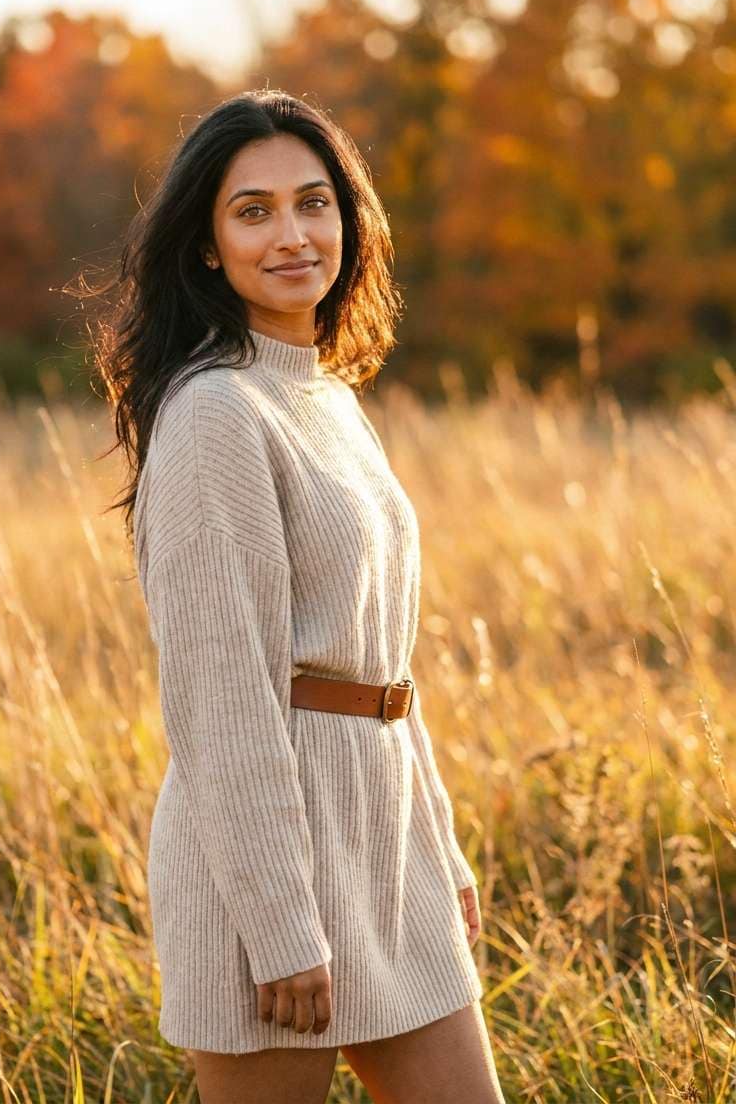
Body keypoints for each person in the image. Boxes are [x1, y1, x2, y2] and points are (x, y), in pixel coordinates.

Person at [87, 89, 506, 1104]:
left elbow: (379, 666)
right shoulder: (216, 414)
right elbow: (222, 699)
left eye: (314, 203)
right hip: (266, 870)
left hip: (385, 841)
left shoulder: (324, 397)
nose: (292, 234)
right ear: (206, 246)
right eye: (254, 211)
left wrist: (438, 847)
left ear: (349, 223)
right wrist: (278, 923)